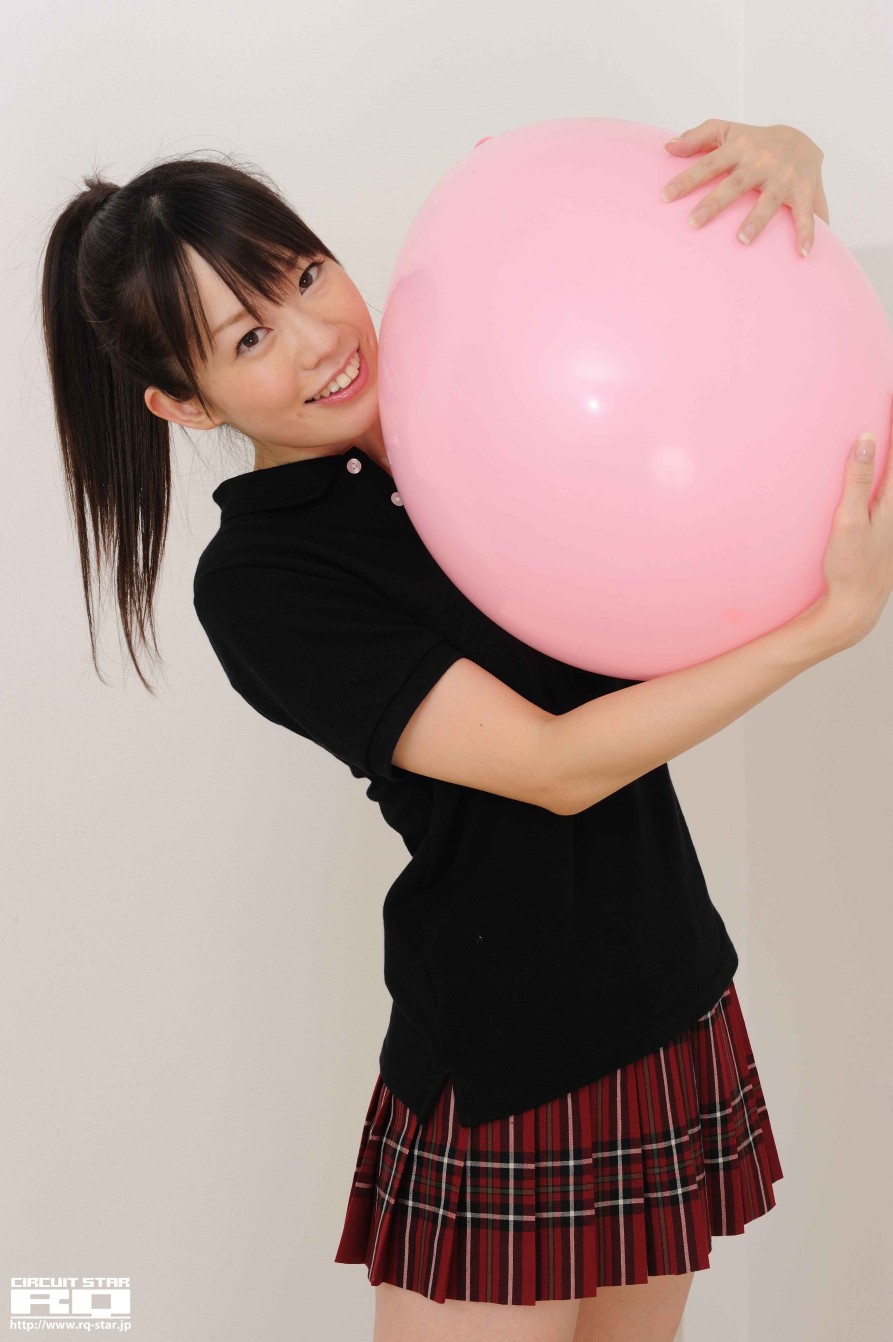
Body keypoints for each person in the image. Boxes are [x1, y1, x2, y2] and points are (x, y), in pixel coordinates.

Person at [39, 151, 893, 1342]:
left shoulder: (492, 395)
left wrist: (779, 156)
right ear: (185, 405)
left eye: (303, 275)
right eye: (248, 339)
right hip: (507, 1051)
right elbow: (552, 764)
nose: (317, 339)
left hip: (666, 986)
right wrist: (820, 631)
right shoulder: (264, 578)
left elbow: (676, 337)